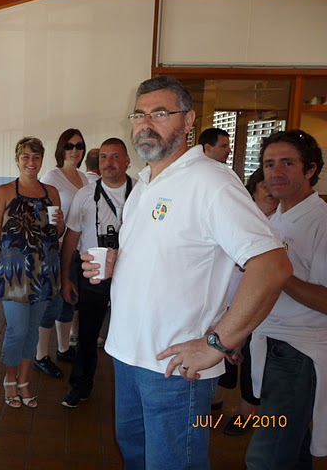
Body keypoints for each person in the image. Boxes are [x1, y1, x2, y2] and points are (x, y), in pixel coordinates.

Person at [81, 75, 292, 469]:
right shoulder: (145, 183)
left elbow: (272, 266)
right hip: (127, 356)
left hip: (176, 370)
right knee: (136, 457)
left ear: (189, 120)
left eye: (160, 113)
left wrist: (218, 343)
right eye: (139, 115)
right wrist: (116, 262)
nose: (146, 124)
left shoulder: (210, 182)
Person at [246, 130, 327, 469]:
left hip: (298, 353)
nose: (275, 172)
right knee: (292, 452)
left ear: (310, 169)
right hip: (270, 341)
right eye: (269, 164)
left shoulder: (321, 222)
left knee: (266, 458)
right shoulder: (275, 219)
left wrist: (279, 274)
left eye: (287, 163)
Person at [0, 136, 64, 408]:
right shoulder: (4, 192)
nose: (31, 162)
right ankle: (10, 377)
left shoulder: (51, 192)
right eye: (26, 156)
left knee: (33, 331)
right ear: (17, 160)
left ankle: (24, 380)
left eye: (36, 157)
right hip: (13, 274)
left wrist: (61, 224)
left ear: (42, 160)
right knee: (17, 330)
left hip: (45, 273)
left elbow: (56, 234)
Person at [60, 138, 134, 408]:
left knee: (132, 332)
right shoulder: (85, 195)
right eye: (103, 157)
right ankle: (80, 385)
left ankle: (132, 391)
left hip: (132, 276)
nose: (108, 162)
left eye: (115, 156)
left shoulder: (141, 193)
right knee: (87, 334)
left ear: (127, 161)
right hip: (93, 273)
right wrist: (65, 277)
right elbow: (71, 238)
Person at [212, 167, 279, 436]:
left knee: (252, 360)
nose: (270, 191)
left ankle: (246, 413)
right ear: (253, 190)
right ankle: (216, 399)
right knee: (222, 351)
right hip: (227, 298)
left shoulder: (281, 222)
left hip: (262, 305)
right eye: (264, 185)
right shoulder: (239, 215)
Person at [35, 129, 88, 378]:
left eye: (79, 146)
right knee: (51, 303)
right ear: (61, 149)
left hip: (78, 249)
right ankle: (40, 356)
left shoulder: (84, 178)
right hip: (55, 250)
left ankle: (64, 348)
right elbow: (41, 216)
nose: (74, 150)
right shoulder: (52, 177)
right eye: (69, 146)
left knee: (70, 299)